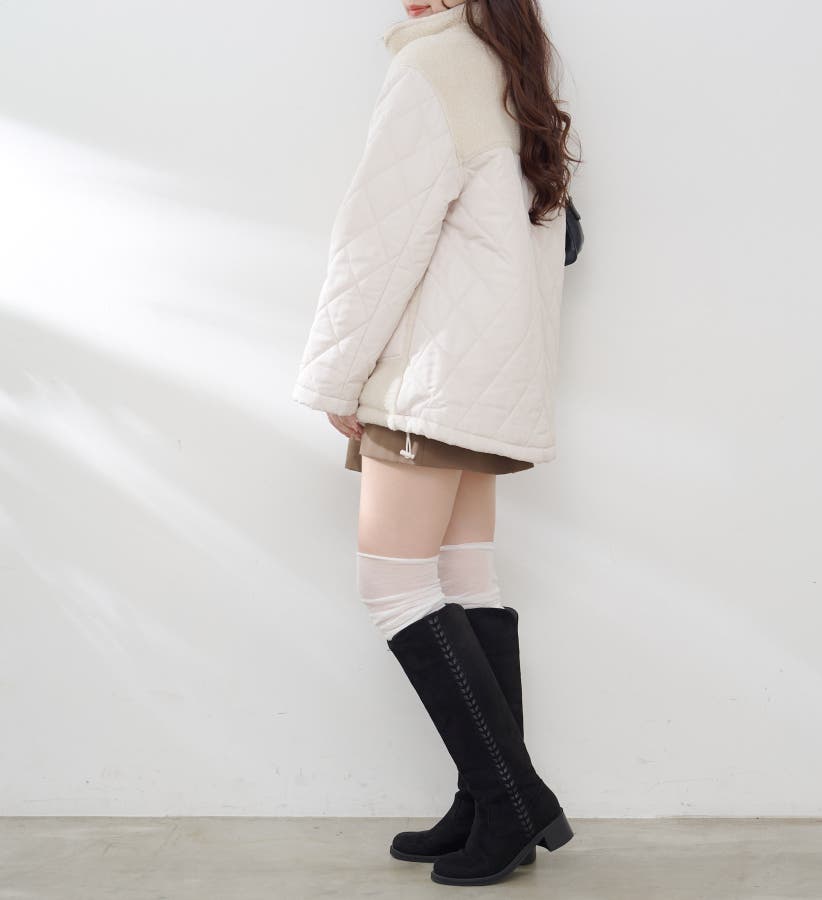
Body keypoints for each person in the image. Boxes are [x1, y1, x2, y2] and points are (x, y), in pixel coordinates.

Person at [292, 0, 579, 887]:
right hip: (491, 376)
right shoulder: (516, 63)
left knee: (392, 586)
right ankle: (487, 807)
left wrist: (336, 376)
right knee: (465, 579)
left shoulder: (432, 66)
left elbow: (377, 241)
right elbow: (561, 236)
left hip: (432, 377)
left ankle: (512, 800)